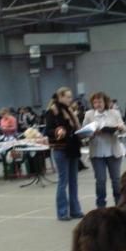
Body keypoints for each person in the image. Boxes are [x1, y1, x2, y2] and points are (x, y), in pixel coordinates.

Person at [82, 92, 126, 208]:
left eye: (100, 101)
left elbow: (123, 128)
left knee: (116, 181)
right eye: (95, 102)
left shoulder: (114, 113)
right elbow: (83, 134)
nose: (97, 104)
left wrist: (120, 128)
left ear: (105, 102)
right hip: (97, 153)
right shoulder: (88, 114)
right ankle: (101, 208)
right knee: (100, 181)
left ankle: (119, 207)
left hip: (113, 152)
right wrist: (91, 134)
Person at [45, 87, 83, 221]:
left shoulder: (70, 110)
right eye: (67, 96)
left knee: (74, 181)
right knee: (63, 181)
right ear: (60, 97)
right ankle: (62, 212)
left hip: (73, 148)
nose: (70, 99)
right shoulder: (53, 111)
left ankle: (76, 210)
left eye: (70, 96)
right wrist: (57, 131)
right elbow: (48, 131)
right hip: (61, 149)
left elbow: (75, 128)